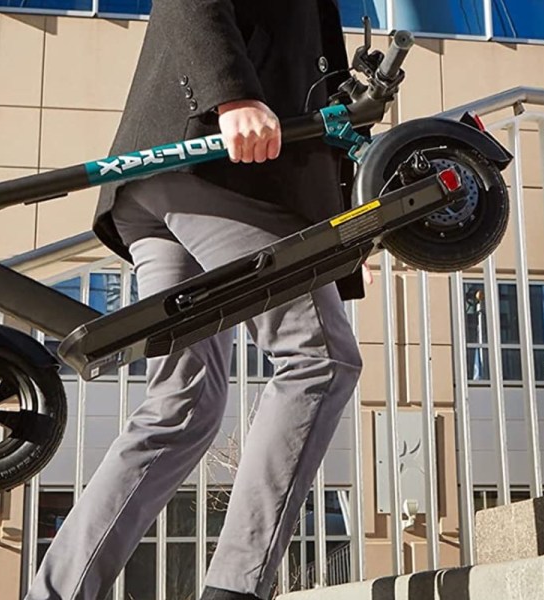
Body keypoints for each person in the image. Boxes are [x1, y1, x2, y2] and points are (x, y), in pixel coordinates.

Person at [25, 2, 365, 599]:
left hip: (162, 183)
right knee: (318, 358)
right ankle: (235, 588)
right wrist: (232, 96)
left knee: (183, 401)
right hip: (215, 167)